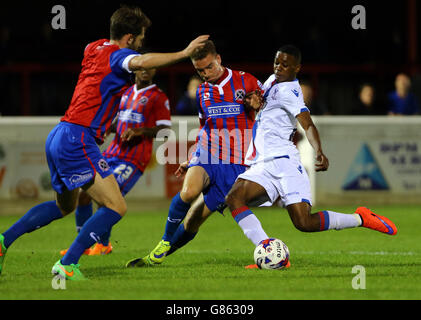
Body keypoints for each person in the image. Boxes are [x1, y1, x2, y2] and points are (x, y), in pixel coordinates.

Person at [0, 5, 209, 280]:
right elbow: (140, 62)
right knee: (116, 206)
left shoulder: (93, 47)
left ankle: (4, 241)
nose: (141, 44)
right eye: (141, 38)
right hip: (78, 138)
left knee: (65, 206)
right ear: (131, 38)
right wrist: (184, 53)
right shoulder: (120, 56)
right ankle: (67, 264)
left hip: (59, 133)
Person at [223, 45, 397, 268]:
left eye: (285, 64)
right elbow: (265, 112)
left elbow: (308, 124)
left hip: (285, 163)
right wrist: (254, 105)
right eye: (277, 62)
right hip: (263, 164)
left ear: (297, 67)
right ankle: (269, 251)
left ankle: (360, 218)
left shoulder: (291, 92)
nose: (279, 67)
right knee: (234, 198)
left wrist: (319, 151)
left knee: (304, 223)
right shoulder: (271, 81)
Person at [126, 39, 262, 267]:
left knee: (192, 222)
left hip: (236, 163)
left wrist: (259, 104)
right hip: (207, 153)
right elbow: (204, 127)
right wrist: (191, 157)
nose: (205, 73)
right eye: (199, 70)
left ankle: (155, 259)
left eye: (209, 67)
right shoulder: (201, 92)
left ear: (218, 59)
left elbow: (268, 105)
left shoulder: (245, 80)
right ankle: (163, 243)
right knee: (188, 192)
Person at [59, 67, 171, 256]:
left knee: (108, 199)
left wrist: (140, 131)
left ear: (155, 71)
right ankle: (84, 245)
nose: (145, 71)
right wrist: (107, 128)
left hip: (133, 159)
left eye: (150, 68)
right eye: (142, 67)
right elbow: (119, 119)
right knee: (84, 195)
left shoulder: (158, 97)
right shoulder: (126, 93)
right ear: (135, 69)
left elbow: (165, 131)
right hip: (111, 154)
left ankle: (103, 245)